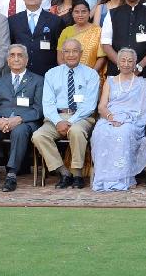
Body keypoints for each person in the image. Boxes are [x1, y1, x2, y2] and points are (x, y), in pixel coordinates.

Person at [30, 39, 100, 189]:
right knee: (38, 136)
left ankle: (77, 174)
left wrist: (71, 121)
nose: (71, 55)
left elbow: (89, 105)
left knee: (76, 131)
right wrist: (58, 121)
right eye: (67, 51)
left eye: (75, 51)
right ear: (62, 54)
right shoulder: (51, 74)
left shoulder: (91, 74)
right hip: (56, 117)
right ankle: (64, 172)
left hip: (81, 117)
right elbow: (48, 104)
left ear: (81, 53)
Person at [0, 44, 43, 192]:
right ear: (8, 60)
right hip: (1, 123)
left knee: (19, 130)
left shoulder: (38, 80)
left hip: (25, 123)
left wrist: (19, 119)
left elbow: (39, 109)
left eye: (20, 55)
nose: (16, 59)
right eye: (12, 55)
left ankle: (11, 176)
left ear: (26, 60)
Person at [89, 47, 146, 191]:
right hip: (110, 117)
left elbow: (143, 110)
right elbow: (102, 107)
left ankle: (124, 178)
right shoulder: (110, 81)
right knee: (100, 132)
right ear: (117, 62)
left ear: (135, 63)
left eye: (130, 61)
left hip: (131, 120)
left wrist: (126, 119)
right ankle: (104, 178)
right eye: (123, 60)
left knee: (124, 132)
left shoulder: (141, 83)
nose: (126, 64)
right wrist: (111, 118)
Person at [100, 0, 146, 79]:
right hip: (116, 74)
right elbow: (106, 44)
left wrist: (140, 66)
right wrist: (122, 65)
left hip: (145, 74)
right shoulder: (111, 14)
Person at [7, 0, 63, 77]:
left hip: (47, 74)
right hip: (20, 73)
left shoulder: (55, 20)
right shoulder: (13, 21)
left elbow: (60, 48)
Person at [57, 0, 105, 73]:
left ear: (89, 13)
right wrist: (69, 74)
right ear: (72, 14)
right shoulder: (66, 31)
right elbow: (60, 57)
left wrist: (91, 74)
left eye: (84, 12)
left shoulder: (98, 31)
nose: (80, 15)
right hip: (69, 75)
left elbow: (101, 57)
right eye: (76, 12)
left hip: (91, 74)